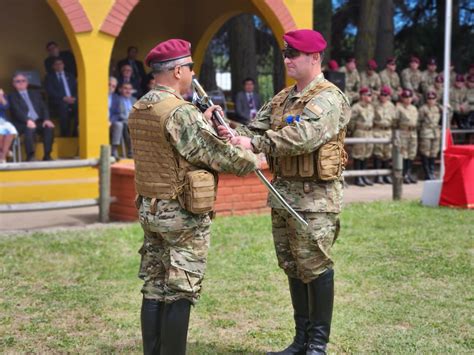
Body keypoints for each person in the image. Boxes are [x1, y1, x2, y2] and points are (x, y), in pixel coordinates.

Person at [223, 29, 351, 355]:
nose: (287, 60)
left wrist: (255, 143)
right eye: (285, 53)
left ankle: (317, 346)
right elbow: (252, 129)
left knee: (315, 265)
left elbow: (304, 136)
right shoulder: (282, 98)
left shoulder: (329, 98)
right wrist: (225, 130)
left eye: (294, 54)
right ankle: (301, 341)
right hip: (283, 196)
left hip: (315, 200)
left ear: (314, 58)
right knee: (293, 265)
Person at [128, 39, 259, 355]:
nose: (191, 73)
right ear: (176, 71)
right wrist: (250, 156)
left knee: (155, 286)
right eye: (189, 68)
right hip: (181, 214)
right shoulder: (179, 112)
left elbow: (174, 149)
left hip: (151, 208)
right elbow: (214, 154)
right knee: (181, 288)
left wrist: (203, 121)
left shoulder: (140, 106)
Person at [9, 73, 55, 161]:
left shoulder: (35, 93)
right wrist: (27, 120)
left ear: (27, 83)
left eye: (23, 81)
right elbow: (16, 111)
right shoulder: (11, 96)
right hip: (22, 123)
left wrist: (46, 119)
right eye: (18, 81)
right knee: (29, 129)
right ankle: (30, 156)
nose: (21, 83)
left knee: (49, 128)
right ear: (14, 84)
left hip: (38, 121)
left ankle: (47, 155)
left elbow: (43, 107)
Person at [44, 57, 78, 137]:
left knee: (81, 108)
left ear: (63, 65)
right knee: (64, 106)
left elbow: (76, 88)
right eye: (56, 64)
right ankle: (65, 134)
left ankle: (75, 133)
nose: (59, 66)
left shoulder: (70, 76)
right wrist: (63, 98)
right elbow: (50, 91)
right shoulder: (49, 77)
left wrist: (74, 98)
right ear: (53, 66)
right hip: (57, 101)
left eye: (61, 64)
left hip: (72, 99)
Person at [349, 87, 375, 186]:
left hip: (369, 132)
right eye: (368, 95)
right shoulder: (356, 107)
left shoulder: (371, 107)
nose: (370, 97)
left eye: (370, 95)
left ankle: (364, 176)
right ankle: (357, 178)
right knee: (358, 155)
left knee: (366, 154)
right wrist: (352, 131)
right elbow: (351, 121)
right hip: (360, 132)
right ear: (362, 96)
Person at [372, 85, 396, 184]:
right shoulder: (375, 105)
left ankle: (386, 175)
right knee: (378, 153)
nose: (383, 96)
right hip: (378, 130)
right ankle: (378, 176)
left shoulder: (391, 105)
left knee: (387, 154)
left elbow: (394, 119)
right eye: (382, 94)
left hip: (388, 131)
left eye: (385, 95)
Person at [395, 89, 418, 184]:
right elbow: (395, 121)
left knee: (411, 154)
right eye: (405, 97)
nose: (408, 99)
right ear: (402, 98)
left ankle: (408, 173)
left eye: (409, 97)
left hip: (413, 133)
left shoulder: (414, 108)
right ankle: (403, 174)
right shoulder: (399, 108)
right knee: (403, 154)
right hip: (403, 132)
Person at [418, 91, 441, 180]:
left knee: (434, 152)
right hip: (426, 132)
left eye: (433, 99)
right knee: (425, 152)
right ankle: (427, 173)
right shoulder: (423, 109)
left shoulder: (438, 108)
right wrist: (421, 131)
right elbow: (418, 122)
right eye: (429, 99)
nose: (431, 100)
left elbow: (446, 116)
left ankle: (431, 171)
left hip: (435, 132)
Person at [115, 82, 136, 158]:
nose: (128, 91)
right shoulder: (117, 100)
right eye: (125, 88)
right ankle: (131, 152)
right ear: (120, 90)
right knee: (128, 125)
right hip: (124, 121)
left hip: (134, 121)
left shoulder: (134, 99)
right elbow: (118, 114)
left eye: (130, 89)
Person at [0, 88, 17, 163]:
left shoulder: (2, 95)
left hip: (2, 120)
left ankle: (2, 156)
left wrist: (1, 96)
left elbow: (6, 106)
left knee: (10, 131)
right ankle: (5, 152)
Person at [108, 77, 121, 159]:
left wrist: (110, 121)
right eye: (109, 84)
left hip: (110, 122)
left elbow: (117, 113)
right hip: (99, 122)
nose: (111, 87)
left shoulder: (116, 97)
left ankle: (114, 149)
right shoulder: (98, 95)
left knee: (119, 125)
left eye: (113, 86)